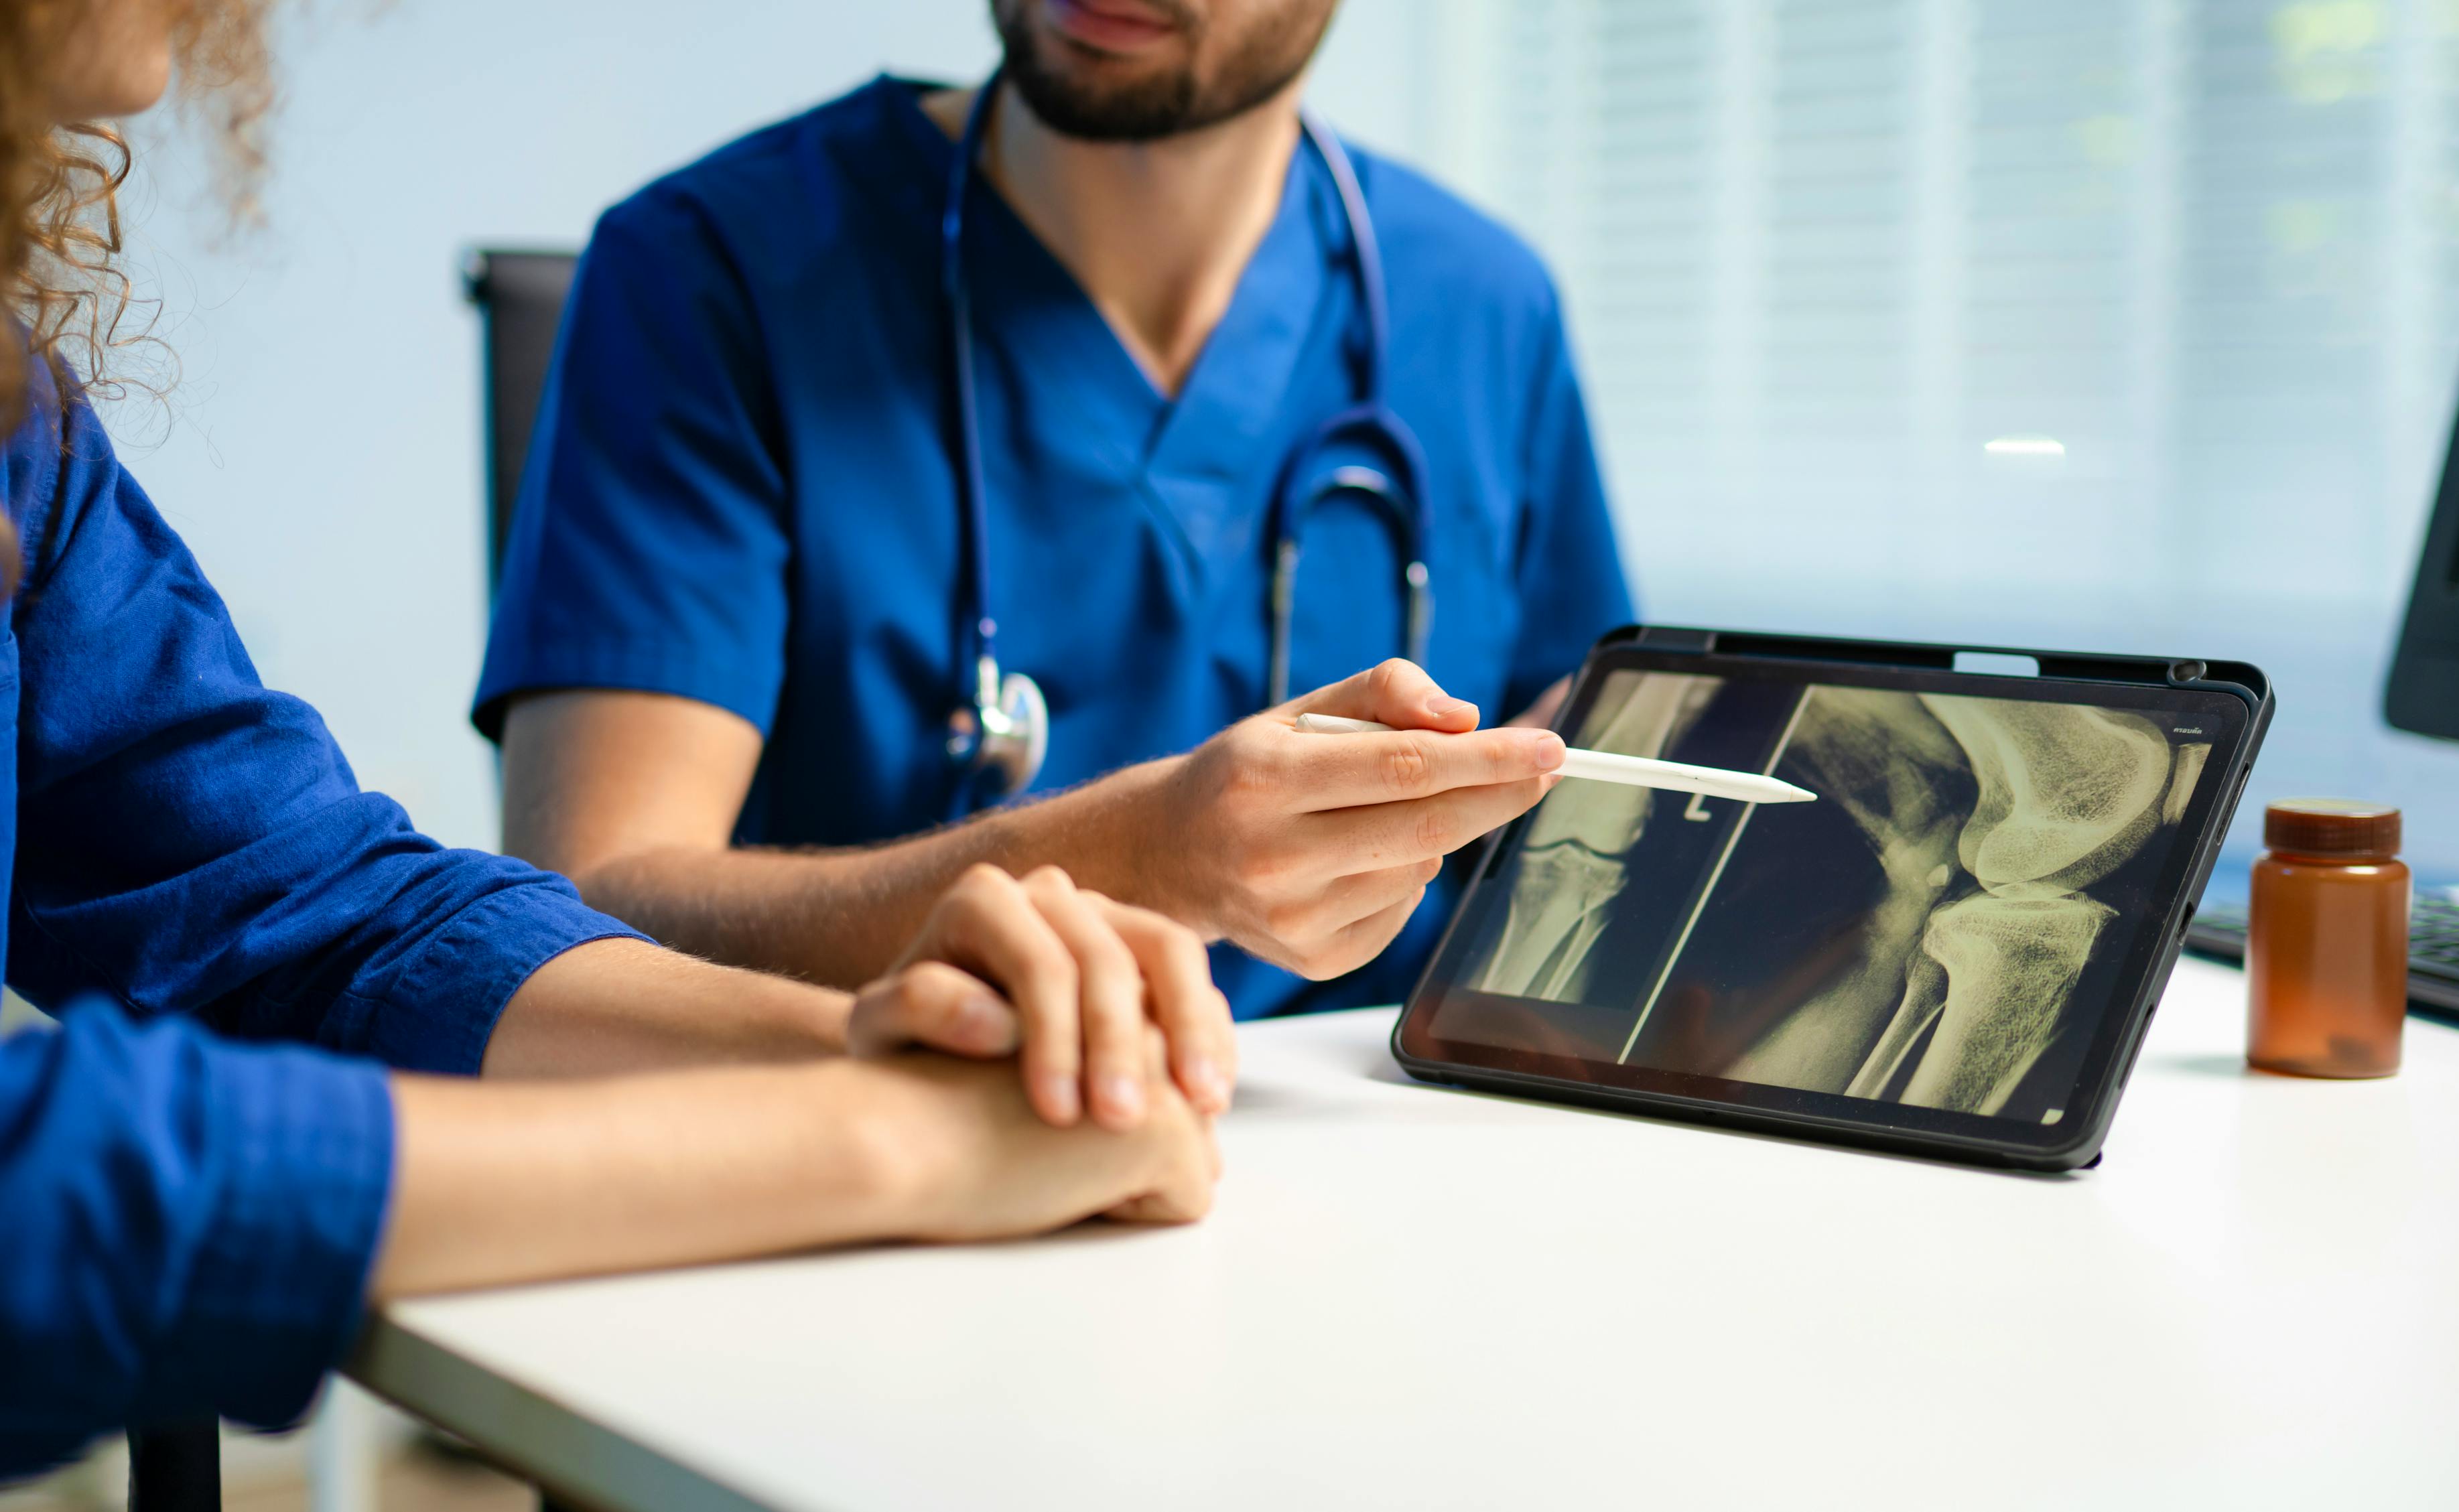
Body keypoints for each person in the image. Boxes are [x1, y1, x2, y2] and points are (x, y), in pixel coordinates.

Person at [0, 0, 1229, 1476]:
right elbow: (49, 1174)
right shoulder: (721, 258)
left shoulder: (25, 436)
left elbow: (311, 912)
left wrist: (894, 1054)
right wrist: (880, 1148)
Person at [477, 0, 1630, 1023]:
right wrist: (1138, 858)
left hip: (1374, 1177)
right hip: (884, 1179)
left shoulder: (1485, 307)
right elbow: (585, 916)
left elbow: (1584, 811)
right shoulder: (711, 272)